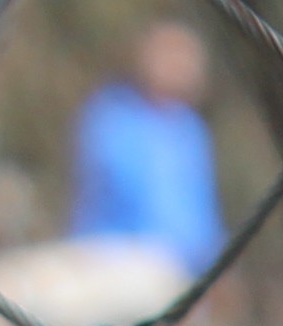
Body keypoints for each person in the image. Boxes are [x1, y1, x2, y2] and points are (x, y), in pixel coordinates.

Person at [67, 18, 228, 278]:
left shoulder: (191, 130)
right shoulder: (112, 118)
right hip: (117, 259)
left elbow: (201, 214)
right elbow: (123, 191)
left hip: (182, 269)